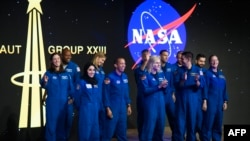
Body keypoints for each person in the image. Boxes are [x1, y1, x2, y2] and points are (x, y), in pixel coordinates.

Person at [40, 53, 75, 141]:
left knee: (62, 126)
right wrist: (45, 82)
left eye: (58, 58)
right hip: (52, 105)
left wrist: (72, 98)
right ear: (51, 61)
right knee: (51, 126)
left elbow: (71, 89)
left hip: (63, 105)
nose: (57, 60)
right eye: (54, 59)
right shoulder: (48, 73)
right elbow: (43, 85)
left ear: (60, 60)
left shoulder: (66, 74)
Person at [173, 51, 205, 141]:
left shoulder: (198, 71)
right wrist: (183, 80)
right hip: (181, 100)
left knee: (192, 125)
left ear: (188, 59)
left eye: (182, 59)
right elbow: (175, 85)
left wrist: (197, 81)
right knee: (180, 125)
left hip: (193, 101)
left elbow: (202, 85)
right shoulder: (179, 71)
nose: (181, 60)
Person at [102, 57, 132, 141]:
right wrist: (107, 108)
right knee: (108, 132)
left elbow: (126, 92)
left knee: (122, 133)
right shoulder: (109, 77)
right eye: (121, 63)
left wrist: (128, 105)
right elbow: (106, 93)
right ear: (115, 65)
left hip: (123, 108)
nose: (123, 65)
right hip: (113, 108)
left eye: (124, 63)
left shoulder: (125, 77)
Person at [139, 55, 167, 141]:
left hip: (161, 104)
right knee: (149, 127)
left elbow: (165, 90)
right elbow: (145, 91)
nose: (159, 65)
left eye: (159, 63)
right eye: (157, 63)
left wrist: (165, 86)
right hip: (151, 105)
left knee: (160, 126)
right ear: (151, 63)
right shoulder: (145, 75)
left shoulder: (161, 74)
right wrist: (158, 86)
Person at [201, 55, 229, 141]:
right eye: (212, 60)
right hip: (210, 103)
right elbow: (204, 88)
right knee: (208, 125)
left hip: (219, 104)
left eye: (216, 60)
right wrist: (205, 101)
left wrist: (225, 101)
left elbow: (224, 89)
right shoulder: (207, 74)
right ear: (209, 62)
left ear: (218, 61)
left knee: (218, 125)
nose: (214, 62)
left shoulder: (221, 75)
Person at [74, 62, 100, 141]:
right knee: (85, 131)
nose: (92, 72)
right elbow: (77, 97)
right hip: (86, 110)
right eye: (90, 70)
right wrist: (81, 108)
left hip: (95, 110)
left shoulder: (95, 82)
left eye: (93, 70)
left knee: (95, 131)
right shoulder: (81, 82)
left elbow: (97, 97)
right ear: (86, 71)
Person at [61, 48, 81, 140]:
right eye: (67, 55)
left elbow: (77, 84)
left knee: (68, 122)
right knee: (58, 121)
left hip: (69, 99)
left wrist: (73, 97)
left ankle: (66, 138)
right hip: (59, 98)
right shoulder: (57, 65)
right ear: (62, 56)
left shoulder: (75, 67)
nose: (69, 57)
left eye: (70, 55)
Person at [133, 49, 150, 139]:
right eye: (144, 55)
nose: (146, 57)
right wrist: (146, 62)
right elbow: (140, 73)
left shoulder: (152, 66)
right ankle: (142, 137)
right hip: (142, 96)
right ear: (142, 56)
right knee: (142, 118)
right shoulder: (138, 67)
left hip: (151, 97)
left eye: (148, 55)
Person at [159, 49, 176, 139]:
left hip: (169, 95)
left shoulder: (171, 66)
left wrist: (173, 93)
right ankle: (158, 137)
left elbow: (173, 81)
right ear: (160, 56)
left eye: (167, 55)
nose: (166, 57)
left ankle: (175, 136)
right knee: (160, 119)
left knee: (173, 117)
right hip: (160, 96)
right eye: (164, 55)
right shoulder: (156, 66)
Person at [91, 51, 106, 139]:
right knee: (94, 121)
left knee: (102, 121)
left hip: (101, 99)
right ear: (97, 58)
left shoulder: (101, 70)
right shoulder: (91, 69)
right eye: (102, 60)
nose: (103, 62)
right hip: (94, 98)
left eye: (104, 61)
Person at [195, 53, 207, 140]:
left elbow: (205, 87)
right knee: (196, 123)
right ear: (196, 61)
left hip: (202, 100)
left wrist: (205, 100)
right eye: (201, 61)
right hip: (195, 100)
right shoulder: (193, 70)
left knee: (202, 122)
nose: (202, 63)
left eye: (204, 61)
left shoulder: (205, 71)